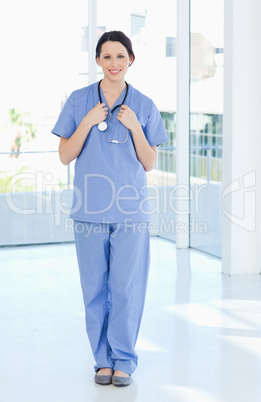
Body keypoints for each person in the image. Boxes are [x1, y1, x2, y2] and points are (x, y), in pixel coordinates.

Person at [51, 31, 168, 387]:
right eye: (107, 56)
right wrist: (87, 121)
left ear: (131, 59)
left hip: (131, 212)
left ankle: (124, 360)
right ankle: (102, 360)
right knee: (94, 289)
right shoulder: (78, 100)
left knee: (125, 289)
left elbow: (149, 163)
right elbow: (65, 155)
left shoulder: (144, 106)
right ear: (98, 60)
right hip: (89, 211)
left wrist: (135, 129)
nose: (114, 63)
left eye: (121, 56)